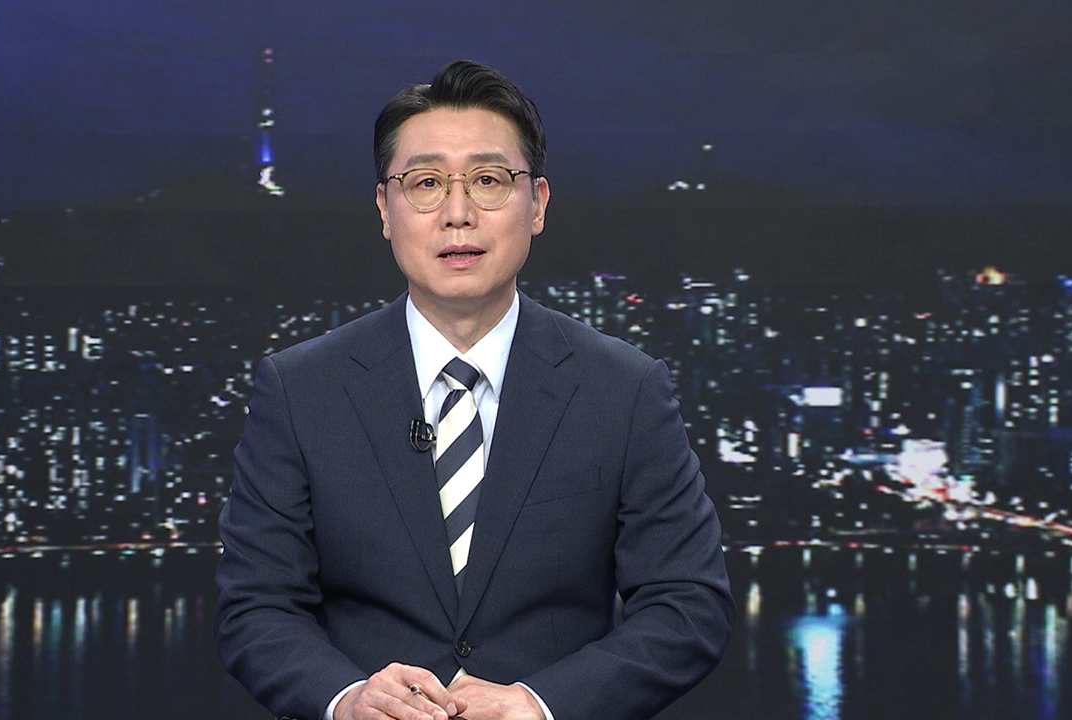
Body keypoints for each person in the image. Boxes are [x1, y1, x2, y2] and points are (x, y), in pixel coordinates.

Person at [215, 60, 733, 720]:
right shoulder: (300, 389)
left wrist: (541, 704)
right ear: (384, 209)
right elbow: (256, 605)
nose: (457, 214)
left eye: (488, 181)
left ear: (537, 204)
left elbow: (688, 604)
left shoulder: (624, 389)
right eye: (426, 183)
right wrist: (346, 699)